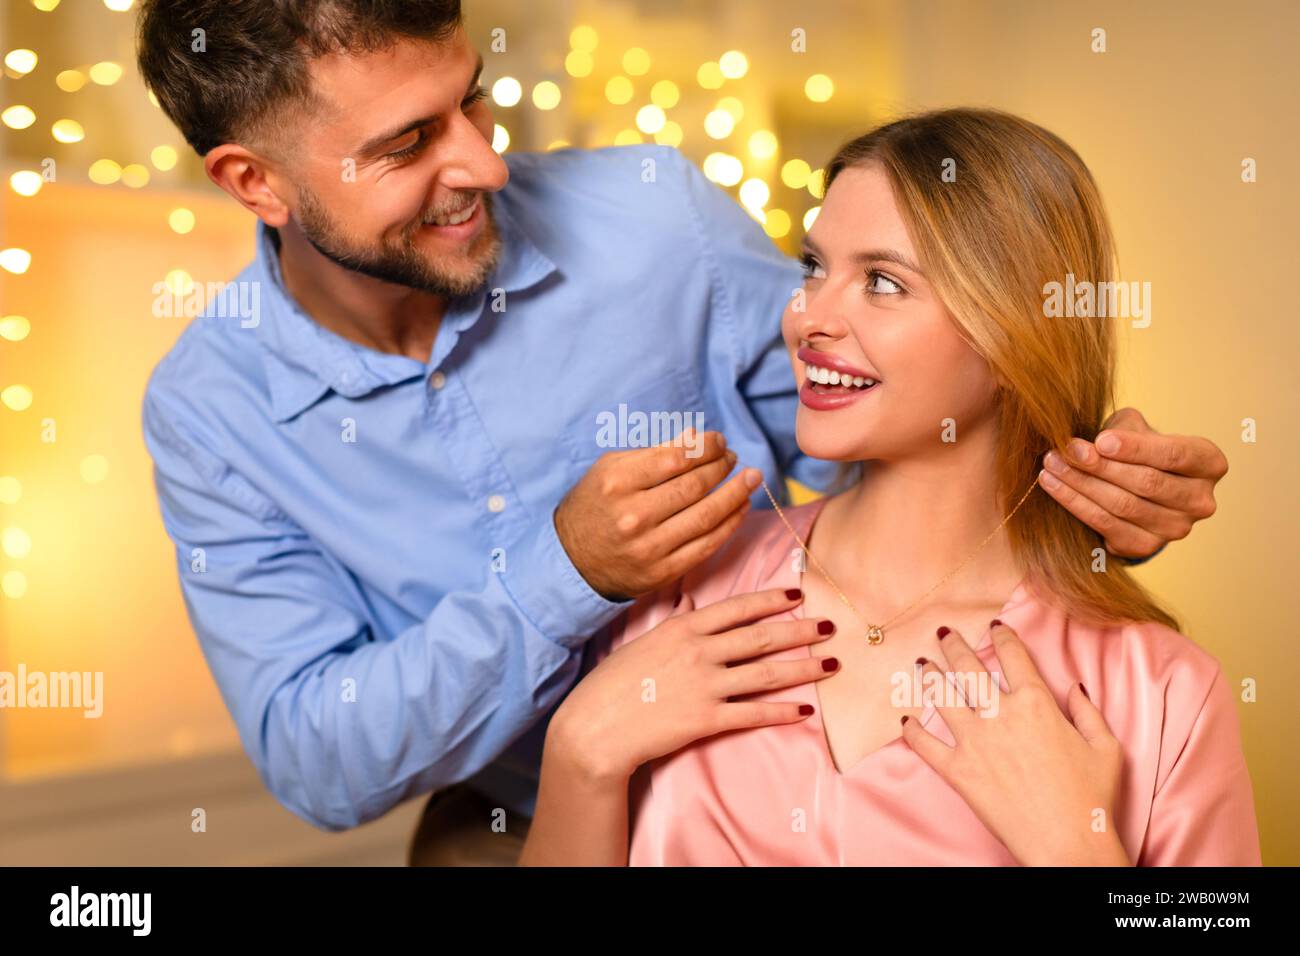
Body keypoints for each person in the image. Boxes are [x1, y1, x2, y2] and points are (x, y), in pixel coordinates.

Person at [134, 0, 1228, 865]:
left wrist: (1079, 487)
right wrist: (570, 601)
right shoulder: (211, 416)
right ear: (253, 180)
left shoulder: (655, 220)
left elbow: (881, 415)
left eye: (474, 101)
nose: (483, 164)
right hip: (515, 816)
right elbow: (319, 760)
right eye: (409, 142)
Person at [520, 109, 1258, 866]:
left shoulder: (1156, 688)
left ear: (1015, 334)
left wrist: (1074, 846)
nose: (807, 315)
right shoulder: (681, 595)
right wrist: (580, 753)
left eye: (881, 281)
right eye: (812, 267)